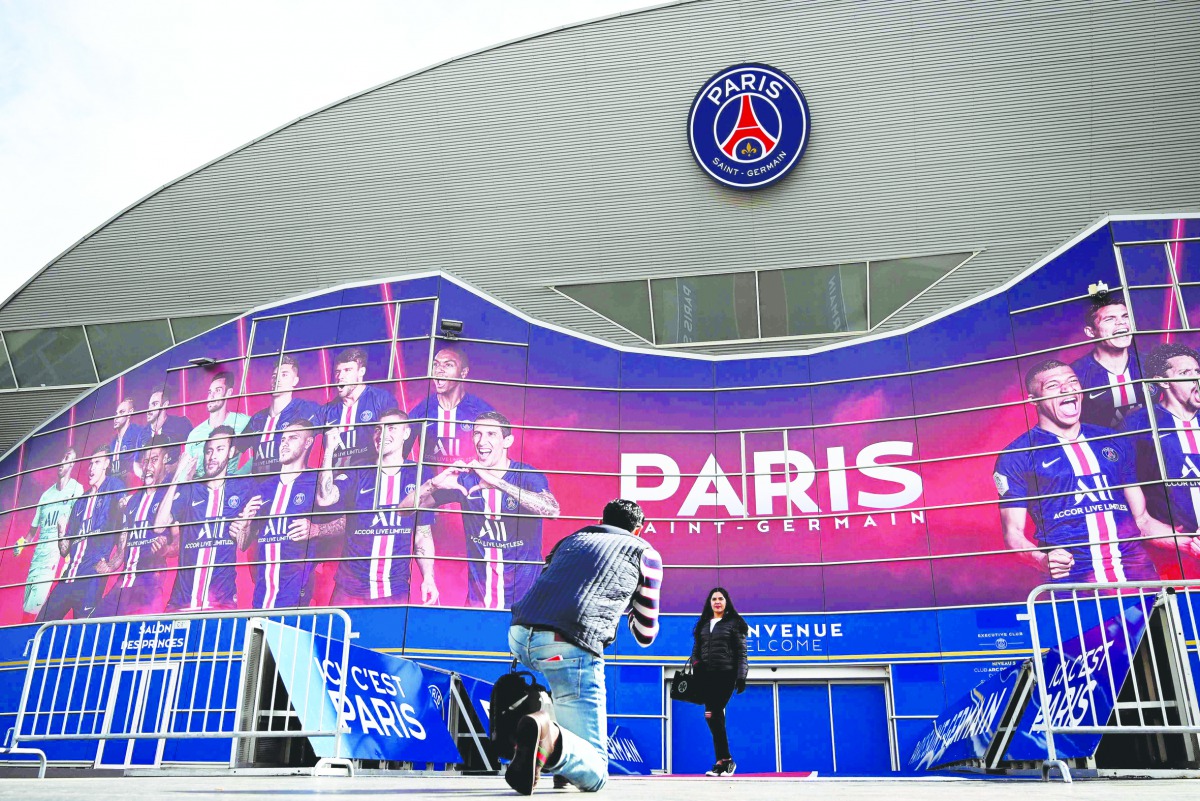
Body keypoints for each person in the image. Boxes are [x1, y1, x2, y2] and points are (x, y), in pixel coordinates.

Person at [504, 499, 662, 794]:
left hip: (519, 634)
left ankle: (559, 768)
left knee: (563, 683)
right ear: (638, 530)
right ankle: (548, 737)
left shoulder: (571, 540)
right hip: (570, 642)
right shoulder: (645, 552)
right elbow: (645, 633)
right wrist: (628, 608)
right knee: (598, 773)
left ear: (601, 519)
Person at [995, 359, 1175, 582]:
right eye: (1053, 385)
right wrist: (1040, 560)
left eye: (1072, 382)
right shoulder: (1017, 455)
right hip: (1075, 586)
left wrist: (1185, 541)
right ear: (1034, 401)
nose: (1067, 388)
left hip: (1139, 578)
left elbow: (1142, 520)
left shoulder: (1112, 440)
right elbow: (1013, 535)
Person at [423, 411, 558, 609]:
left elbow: (551, 510)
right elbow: (407, 508)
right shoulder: (465, 479)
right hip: (479, 602)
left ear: (507, 441)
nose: (481, 441)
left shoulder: (527, 475)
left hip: (526, 601)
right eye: (477, 434)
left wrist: (495, 481)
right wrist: (433, 483)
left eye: (491, 434)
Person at [316, 409, 438, 606]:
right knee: (336, 637)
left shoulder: (419, 475)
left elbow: (422, 534)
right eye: (378, 429)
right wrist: (329, 452)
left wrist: (428, 578)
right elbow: (324, 499)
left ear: (406, 433)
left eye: (391, 428)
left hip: (394, 590)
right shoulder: (358, 471)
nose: (382, 435)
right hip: (349, 589)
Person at [156, 426, 257, 611]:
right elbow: (159, 526)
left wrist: (245, 526)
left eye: (220, 449)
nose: (212, 456)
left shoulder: (244, 486)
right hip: (181, 601)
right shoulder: (192, 488)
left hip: (221, 601)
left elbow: (244, 543)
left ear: (232, 452)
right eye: (209, 450)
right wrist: (177, 479)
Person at [236, 419, 328, 609]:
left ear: (308, 443)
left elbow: (346, 522)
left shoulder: (316, 481)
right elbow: (243, 544)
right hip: (261, 594)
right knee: (259, 639)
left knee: (290, 638)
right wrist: (245, 522)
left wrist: (317, 529)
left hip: (298, 592)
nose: (284, 443)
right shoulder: (264, 488)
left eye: (292, 438)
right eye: (283, 439)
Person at [1122, 342, 1200, 558]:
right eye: (1185, 372)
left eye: (1198, 371)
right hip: (1171, 550)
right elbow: (1127, 489)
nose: (1196, 378)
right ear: (1162, 382)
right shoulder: (1139, 424)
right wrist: (1173, 538)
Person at [37, 446, 125, 621]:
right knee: (40, 624)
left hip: (91, 579)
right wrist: (61, 531)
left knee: (82, 632)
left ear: (107, 464)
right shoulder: (81, 502)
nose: (91, 468)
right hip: (68, 577)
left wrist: (115, 562)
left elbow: (125, 523)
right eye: (90, 463)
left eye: (97, 463)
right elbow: (64, 551)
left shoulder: (114, 486)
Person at [94, 435, 177, 616]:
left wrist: (166, 549)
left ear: (166, 461)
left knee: (139, 637)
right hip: (122, 583)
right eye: (145, 461)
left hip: (149, 586)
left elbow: (179, 544)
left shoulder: (171, 495)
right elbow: (125, 547)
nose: (148, 467)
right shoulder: (132, 501)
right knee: (92, 630)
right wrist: (111, 565)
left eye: (154, 460)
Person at [688, 587, 749, 777]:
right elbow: (695, 651)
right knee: (713, 717)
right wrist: (696, 663)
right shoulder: (703, 625)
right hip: (707, 676)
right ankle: (722, 762)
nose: (717, 602)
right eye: (714, 599)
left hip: (726, 675)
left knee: (712, 713)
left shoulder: (734, 623)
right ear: (709, 602)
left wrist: (741, 676)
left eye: (720, 598)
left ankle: (726, 760)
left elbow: (742, 652)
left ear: (726, 601)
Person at [17, 448, 83, 617]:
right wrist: (21, 544)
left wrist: (68, 557)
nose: (62, 461)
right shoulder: (46, 496)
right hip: (36, 562)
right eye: (62, 457)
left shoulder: (77, 490)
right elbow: (33, 532)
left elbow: (78, 526)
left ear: (72, 464)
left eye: (67, 458)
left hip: (53, 564)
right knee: (26, 612)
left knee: (34, 613)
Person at [407, 345, 494, 465]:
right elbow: (397, 456)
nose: (439, 370)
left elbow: (495, 461)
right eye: (436, 364)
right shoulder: (421, 411)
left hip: (468, 484)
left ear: (463, 373)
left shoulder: (481, 411)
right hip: (431, 483)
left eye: (448, 365)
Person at [240, 355, 322, 476]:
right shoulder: (258, 419)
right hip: (259, 489)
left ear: (295, 381)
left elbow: (336, 422)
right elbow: (234, 449)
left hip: (291, 485)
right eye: (274, 376)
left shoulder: (307, 410)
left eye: (284, 375)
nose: (277, 379)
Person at [1071, 292, 1143, 429]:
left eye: (1125, 316)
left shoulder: (1148, 364)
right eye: (1109, 319)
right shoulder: (1076, 375)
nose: (1121, 322)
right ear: (1091, 332)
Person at [321, 347, 395, 468]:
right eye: (337, 371)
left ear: (361, 372)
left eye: (347, 370)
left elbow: (397, 438)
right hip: (335, 479)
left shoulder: (381, 399)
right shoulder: (327, 410)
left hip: (368, 478)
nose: (340, 376)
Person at [184, 371, 250, 478]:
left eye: (218, 391)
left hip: (226, 490)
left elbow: (263, 446)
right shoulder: (195, 434)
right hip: (200, 491)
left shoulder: (243, 422)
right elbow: (185, 471)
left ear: (229, 392)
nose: (211, 396)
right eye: (210, 392)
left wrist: (239, 476)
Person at [109, 397, 147, 480]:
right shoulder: (113, 443)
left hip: (135, 483)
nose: (116, 417)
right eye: (116, 413)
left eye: (121, 412)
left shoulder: (138, 432)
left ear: (130, 412)